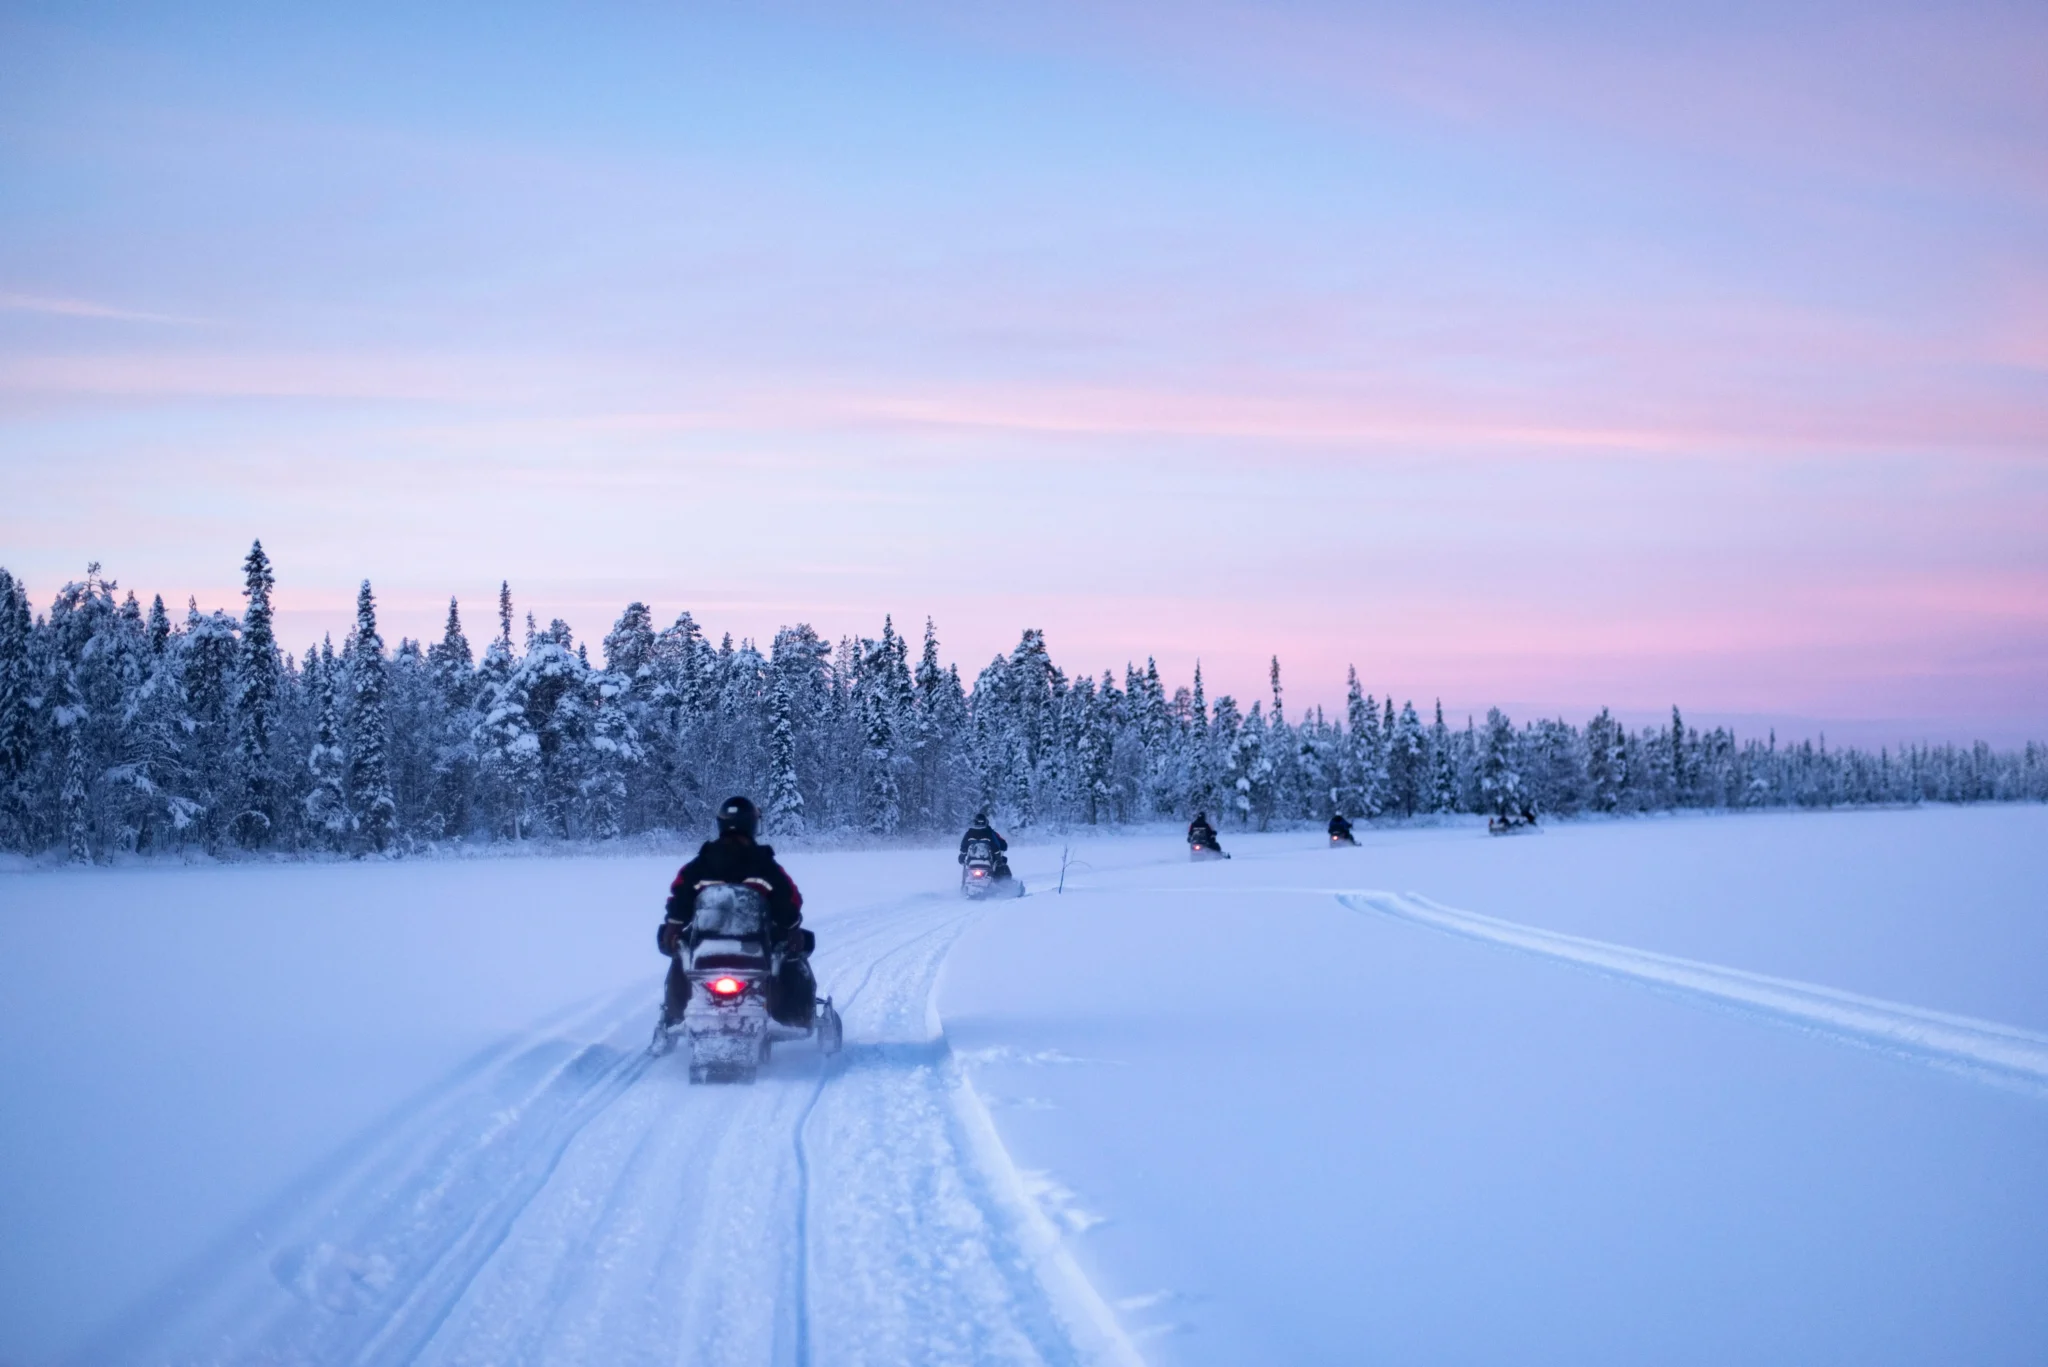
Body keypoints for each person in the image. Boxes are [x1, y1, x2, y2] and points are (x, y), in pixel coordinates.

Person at [659, 796, 815, 1028]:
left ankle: (674, 1012)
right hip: (755, 944)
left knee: (676, 949)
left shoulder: (699, 865)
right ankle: (796, 1014)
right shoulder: (766, 865)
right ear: (753, 824)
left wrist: (672, 928)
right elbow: (789, 900)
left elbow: (679, 898)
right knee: (799, 947)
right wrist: (792, 927)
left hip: (706, 945)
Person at [958, 810, 1013, 881]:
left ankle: (964, 885)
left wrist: (962, 856)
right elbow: (996, 846)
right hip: (987, 861)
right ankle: (1005, 885)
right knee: (1002, 865)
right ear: (986, 822)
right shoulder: (990, 833)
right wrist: (999, 857)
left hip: (972, 861)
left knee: (966, 867)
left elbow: (963, 846)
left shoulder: (969, 833)